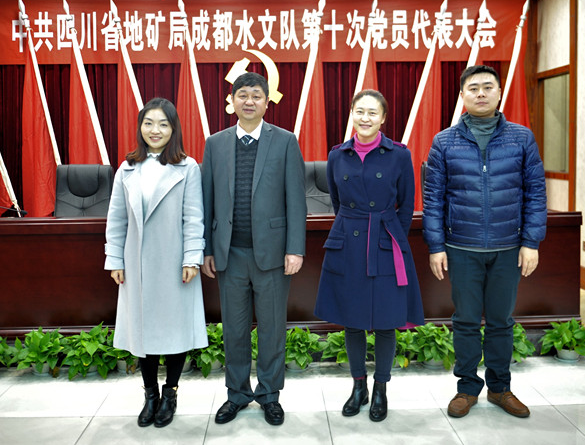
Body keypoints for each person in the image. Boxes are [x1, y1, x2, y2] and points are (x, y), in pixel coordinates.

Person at [423, 65, 547, 419]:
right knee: (465, 321)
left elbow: (535, 192)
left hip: (508, 248)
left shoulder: (521, 138)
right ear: (462, 95)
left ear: (499, 92)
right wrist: (436, 246)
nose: (481, 93)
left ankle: (500, 388)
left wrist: (531, 241)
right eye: (473, 88)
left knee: (500, 321)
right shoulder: (444, 141)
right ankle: (466, 388)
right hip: (462, 247)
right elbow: (433, 198)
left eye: (487, 87)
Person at [201, 71, 306, 426]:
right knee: (234, 329)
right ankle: (237, 394)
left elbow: (296, 200)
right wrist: (207, 249)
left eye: (256, 95)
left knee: (272, 328)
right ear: (232, 101)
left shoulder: (285, 141)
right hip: (229, 253)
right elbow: (207, 200)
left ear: (267, 101)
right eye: (242, 95)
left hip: (273, 255)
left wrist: (295, 248)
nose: (249, 101)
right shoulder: (215, 144)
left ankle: (269, 395)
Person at [314, 89, 425, 422]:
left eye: (372, 113)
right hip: (348, 243)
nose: (365, 118)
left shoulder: (399, 154)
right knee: (352, 321)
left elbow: (406, 204)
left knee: (387, 321)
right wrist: (353, 227)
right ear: (352, 114)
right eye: (359, 111)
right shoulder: (338, 155)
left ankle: (380, 389)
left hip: (386, 241)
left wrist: (391, 238)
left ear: (383, 118)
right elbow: (337, 202)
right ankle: (358, 386)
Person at [104, 97, 207, 429]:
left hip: (175, 264)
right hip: (136, 265)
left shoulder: (187, 167)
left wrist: (192, 258)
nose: (155, 130)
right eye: (148, 123)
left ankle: (170, 393)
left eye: (163, 124)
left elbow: (194, 217)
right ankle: (150, 395)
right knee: (142, 331)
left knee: (175, 331)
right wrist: (114, 259)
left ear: (173, 129)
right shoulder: (127, 168)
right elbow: (116, 219)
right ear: (140, 127)